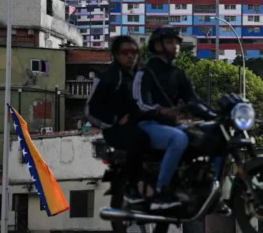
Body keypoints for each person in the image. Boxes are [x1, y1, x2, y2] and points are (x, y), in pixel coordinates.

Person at [132, 26, 217, 212]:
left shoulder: (178, 74)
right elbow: (140, 103)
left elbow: (193, 101)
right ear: (158, 45)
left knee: (214, 137)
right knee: (179, 138)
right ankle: (161, 192)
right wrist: (161, 111)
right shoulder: (145, 72)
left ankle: (210, 193)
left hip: (171, 126)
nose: (176, 46)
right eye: (170, 42)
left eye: (177, 42)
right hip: (147, 125)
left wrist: (217, 116)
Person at [85, 36, 150, 205]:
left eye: (134, 52)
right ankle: (132, 186)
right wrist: (114, 121)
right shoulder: (109, 77)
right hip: (117, 131)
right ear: (116, 54)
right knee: (140, 139)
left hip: (142, 124)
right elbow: (90, 109)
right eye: (125, 52)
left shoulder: (143, 76)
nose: (131, 56)